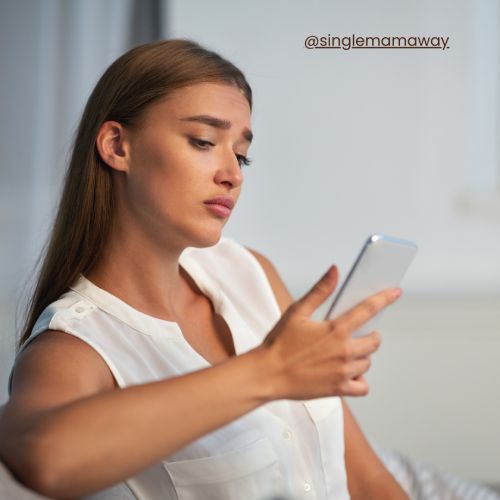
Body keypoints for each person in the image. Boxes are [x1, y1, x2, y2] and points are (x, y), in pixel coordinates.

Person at [0, 39, 409, 500]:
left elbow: (368, 479)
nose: (233, 174)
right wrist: (268, 372)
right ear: (117, 145)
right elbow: (42, 456)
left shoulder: (249, 271)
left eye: (241, 154)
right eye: (203, 142)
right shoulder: (73, 345)